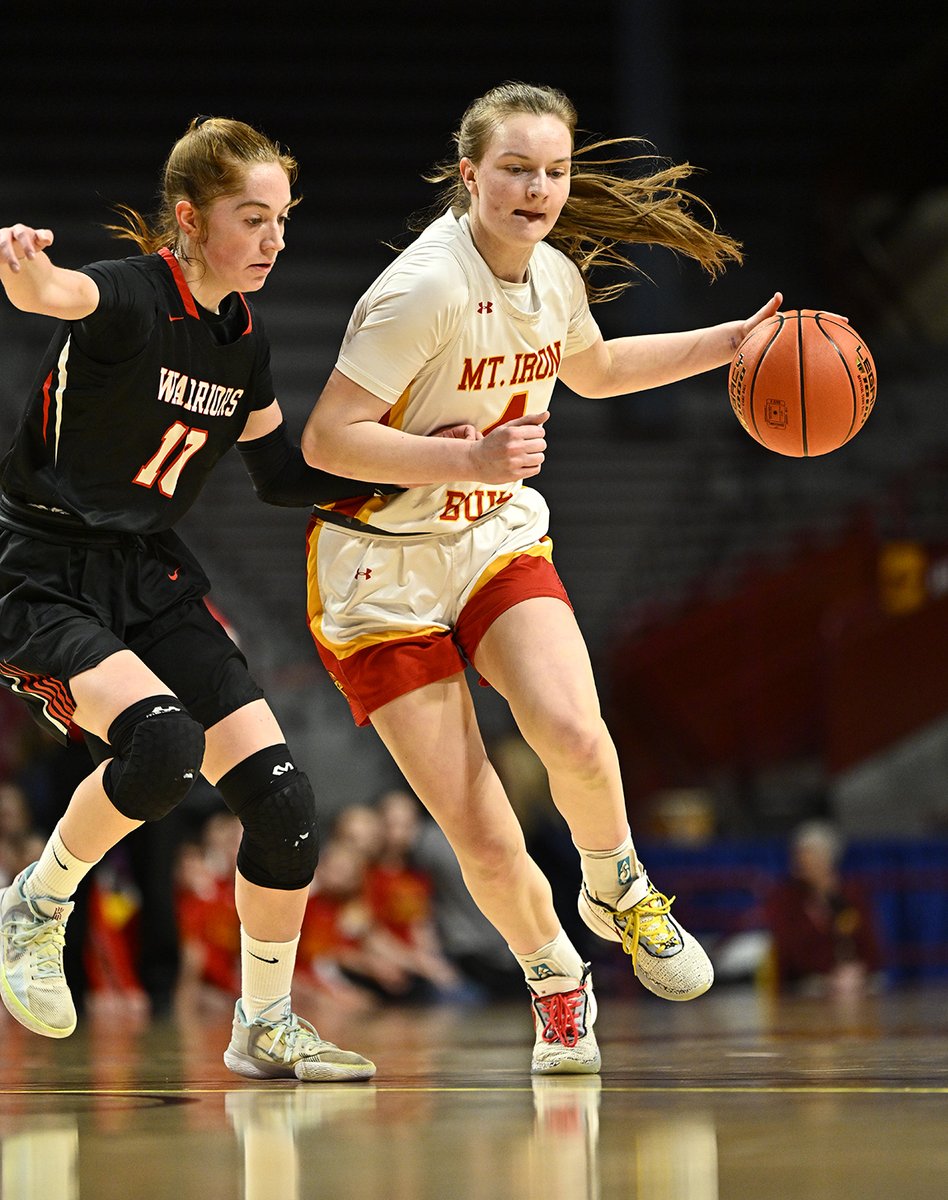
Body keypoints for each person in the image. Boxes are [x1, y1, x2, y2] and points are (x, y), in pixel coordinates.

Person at [300, 81, 783, 1074]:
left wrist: (728, 345)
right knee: (480, 831)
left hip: (490, 540)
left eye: (553, 171)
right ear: (471, 174)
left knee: (570, 727)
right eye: (515, 169)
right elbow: (328, 440)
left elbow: (596, 371)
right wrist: (468, 462)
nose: (537, 189)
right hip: (381, 574)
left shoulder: (553, 275)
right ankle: (557, 979)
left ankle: (621, 890)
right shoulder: (422, 289)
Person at [0, 115, 388, 1082]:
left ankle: (263, 1024)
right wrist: (28, 275)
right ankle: (35, 905)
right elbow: (61, 292)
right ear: (188, 218)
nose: (273, 240)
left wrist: (423, 470)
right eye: (252, 219)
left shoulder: (243, 341)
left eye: (283, 221)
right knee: (164, 744)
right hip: (42, 563)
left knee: (286, 803)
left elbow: (277, 475)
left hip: (145, 569)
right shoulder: (131, 295)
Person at [764, 819, 883, 998]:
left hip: (854, 980)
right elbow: (789, 952)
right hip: (810, 982)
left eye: (810, 858)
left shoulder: (851, 895)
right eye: (799, 859)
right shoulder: (788, 899)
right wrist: (830, 977)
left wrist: (856, 971)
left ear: (828, 860)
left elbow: (870, 945)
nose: (801, 866)